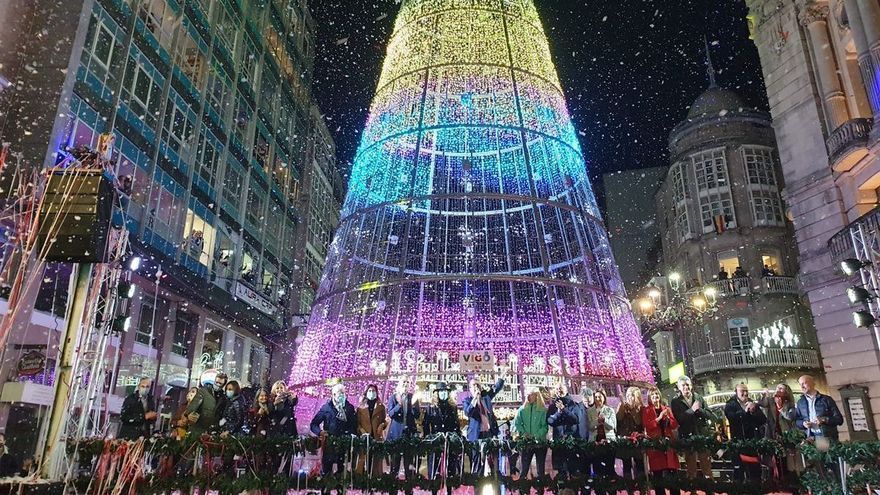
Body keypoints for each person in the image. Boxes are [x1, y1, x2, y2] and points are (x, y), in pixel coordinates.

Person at [670, 376, 715, 480]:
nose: (686, 387)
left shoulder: (698, 397)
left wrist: (700, 411)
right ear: (679, 387)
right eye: (683, 385)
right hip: (687, 436)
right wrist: (692, 410)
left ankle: (710, 488)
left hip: (702, 435)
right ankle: (692, 488)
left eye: (688, 384)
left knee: (706, 465)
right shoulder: (675, 401)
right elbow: (679, 419)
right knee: (691, 467)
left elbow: (709, 414)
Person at [310, 383, 357, 476]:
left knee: (341, 472)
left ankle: (340, 489)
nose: (341, 395)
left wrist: (349, 435)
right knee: (326, 470)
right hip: (329, 444)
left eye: (343, 393)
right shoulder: (326, 407)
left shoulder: (349, 408)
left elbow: (353, 425)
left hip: (343, 444)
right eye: (339, 393)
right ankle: (326, 489)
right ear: (333, 395)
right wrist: (320, 432)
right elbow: (314, 424)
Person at [462, 375, 505, 475]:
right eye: (474, 385)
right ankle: (477, 482)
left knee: (492, 460)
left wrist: (502, 377)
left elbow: (496, 388)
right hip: (476, 435)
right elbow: (468, 412)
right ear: (470, 388)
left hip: (489, 433)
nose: (477, 387)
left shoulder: (486, 397)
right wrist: (475, 400)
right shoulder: (467, 401)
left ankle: (493, 480)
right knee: (477, 462)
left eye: (478, 385)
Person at [724, 383, 767, 481]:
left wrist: (754, 411)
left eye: (746, 390)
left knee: (755, 473)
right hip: (738, 444)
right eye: (742, 391)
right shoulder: (730, 404)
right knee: (739, 473)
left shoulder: (752, 403)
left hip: (752, 443)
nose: (745, 393)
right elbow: (732, 418)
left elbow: (763, 420)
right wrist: (745, 411)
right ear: (736, 392)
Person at [546, 383, 589, 480]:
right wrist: (558, 412)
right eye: (557, 389)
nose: (559, 391)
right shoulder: (552, 407)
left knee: (574, 472)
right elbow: (550, 421)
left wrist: (564, 409)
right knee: (561, 473)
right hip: (559, 444)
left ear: (566, 390)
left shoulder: (574, 405)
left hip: (572, 444)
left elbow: (575, 419)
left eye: (561, 389)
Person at [759, 383, 802, 478]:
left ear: (786, 392)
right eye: (777, 387)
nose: (778, 390)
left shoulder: (789, 404)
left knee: (786, 459)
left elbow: (790, 417)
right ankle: (775, 480)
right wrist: (765, 395)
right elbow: (762, 404)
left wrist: (781, 408)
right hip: (772, 434)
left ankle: (789, 478)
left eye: (781, 389)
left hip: (785, 434)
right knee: (772, 459)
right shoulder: (771, 401)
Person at [423, 382, 461, 479]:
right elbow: (426, 425)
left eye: (445, 391)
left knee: (450, 468)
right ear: (437, 393)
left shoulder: (452, 407)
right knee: (434, 468)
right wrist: (427, 439)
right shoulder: (431, 408)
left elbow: (456, 424)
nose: (443, 394)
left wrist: (457, 437)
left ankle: (449, 488)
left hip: (450, 440)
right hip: (435, 440)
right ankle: (434, 487)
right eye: (441, 391)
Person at [642, 387, 679, 479]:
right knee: (658, 475)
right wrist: (659, 418)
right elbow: (648, 425)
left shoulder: (667, 409)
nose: (655, 396)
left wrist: (668, 419)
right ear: (649, 397)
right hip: (656, 446)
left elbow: (674, 425)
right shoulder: (646, 410)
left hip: (668, 444)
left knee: (672, 474)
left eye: (657, 394)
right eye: (653, 394)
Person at [387, 381, 421, 478]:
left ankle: (408, 487)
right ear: (399, 385)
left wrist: (413, 405)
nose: (405, 384)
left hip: (409, 435)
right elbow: (390, 414)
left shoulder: (412, 397)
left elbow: (417, 415)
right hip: (396, 435)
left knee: (409, 466)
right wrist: (399, 405)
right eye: (403, 382)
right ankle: (393, 487)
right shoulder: (393, 397)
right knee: (394, 466)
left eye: (407, 382)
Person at [796, 374, 843, 442]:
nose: (802, 386)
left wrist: (824, 419)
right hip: (811, 439)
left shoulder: (826, 399)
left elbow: (839, 419)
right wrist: (803, 423)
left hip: (827, 437)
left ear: (812, 383)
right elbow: (797, 421)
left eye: (804, 383)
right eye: (800, 384)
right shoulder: (800, 402)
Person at [514, 388, 548, 480]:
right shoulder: (522, 409)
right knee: (524, 469)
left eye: (531, 394)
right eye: (528, 394)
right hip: (526, 442)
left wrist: (535, 436)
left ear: (537, 396)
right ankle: (523, 488)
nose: (529, 397)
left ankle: (540, 489)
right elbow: (517, 423)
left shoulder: (543, 410)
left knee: (540, 469)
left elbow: (545, 427)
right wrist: (524, 433)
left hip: (540, 443)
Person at [355, 383, 387, 476]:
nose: (371, 393)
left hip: (376, 436)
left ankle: (374, 479)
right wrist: (363, 432)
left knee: (375, 460)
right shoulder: (361, 407)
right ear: (366, 392)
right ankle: (361, 478)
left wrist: (382, 425)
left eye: (373, 391)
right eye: (369, 391)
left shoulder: (381, 406)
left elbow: (384, 420)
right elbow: (357, 423)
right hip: (364, 437)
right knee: (363, 459)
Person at [616, 386, 645, 480]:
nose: (629, 397)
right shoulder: (622, 406)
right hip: (625, 441)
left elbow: (638, 422)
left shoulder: (641, 408)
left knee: (640, 467)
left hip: (637, 442)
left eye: (632, 395)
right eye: (628, 395)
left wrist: (633, 410)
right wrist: (622, 407)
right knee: (627, 467)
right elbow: (618, 419)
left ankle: (642, 488)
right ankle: (629, 489)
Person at [587, 390, 616, 478]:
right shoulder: (589, 411)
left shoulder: (609, 410)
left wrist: (604, 420)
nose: (598, 399)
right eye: (596, 397)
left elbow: (612, 426)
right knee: (597, 468)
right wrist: (597, 421)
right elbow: (590, 426)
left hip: (608, 441)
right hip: (595, 442)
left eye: (600, 397)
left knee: (610, 468)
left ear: (604, 397)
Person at [185, 371, 219, 437]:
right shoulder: (215, 395)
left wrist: (188, 414)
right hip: (206, 430)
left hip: (200, 430)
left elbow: (192, 408)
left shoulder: (203, 392)